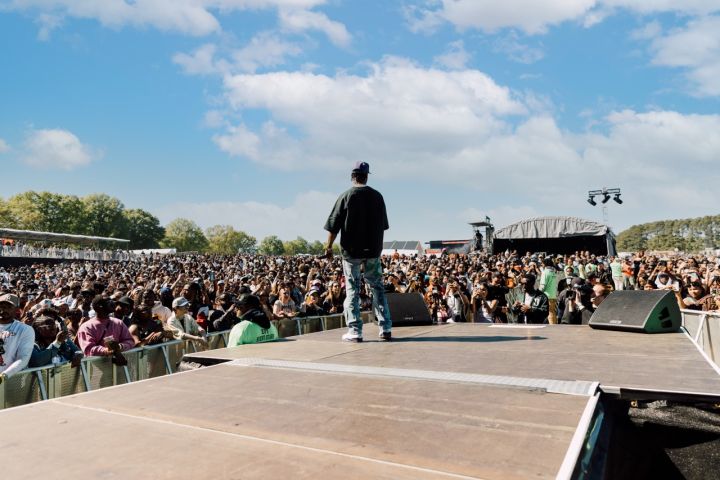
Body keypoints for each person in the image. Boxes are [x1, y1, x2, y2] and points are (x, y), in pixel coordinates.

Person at [324, 161, 392, 342]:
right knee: (377, 288)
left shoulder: (346, 196)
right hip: (373, 251)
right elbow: (383, 226)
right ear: (367, 175)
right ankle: (385, 328)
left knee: (352, 288)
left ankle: (355, 330)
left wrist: (328, 247)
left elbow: (333, 226)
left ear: (352, 176)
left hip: (351, 252)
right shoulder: (378, 196)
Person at [75, 295, 134, 365]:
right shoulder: (86, 327)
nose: (112, 303)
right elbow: (89, 349)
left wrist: (120, 346)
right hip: (94, 369)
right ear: (99, 306)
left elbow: (130, 341)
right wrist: (107, 350)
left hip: (118, 369)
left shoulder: (119, 323)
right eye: (108, 301)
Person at [0, 293, 35, 384]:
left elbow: (23, 358)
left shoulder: (25, 329)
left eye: (8, 307)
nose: (3, 310)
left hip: (12, 380)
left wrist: (4, 375)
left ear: (17, 310)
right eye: (1, 306)